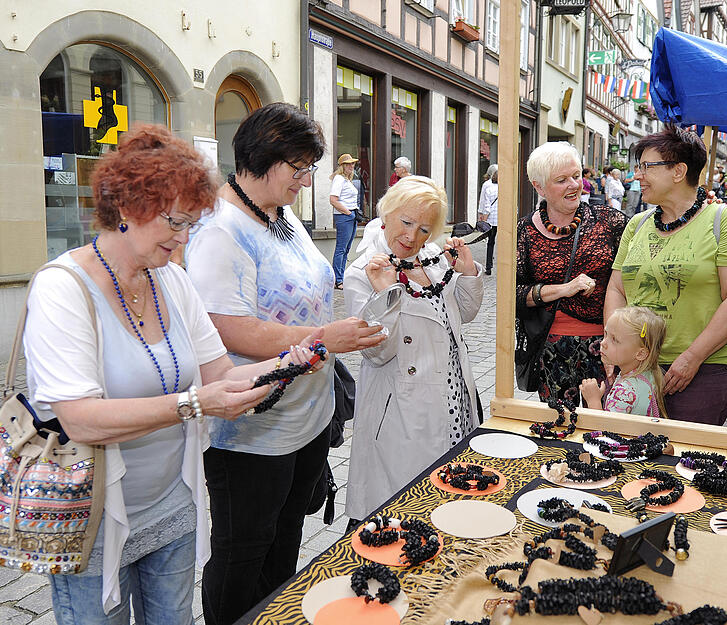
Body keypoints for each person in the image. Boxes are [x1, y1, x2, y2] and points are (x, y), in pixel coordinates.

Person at [23, 124, 325, 623]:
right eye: (175, 221)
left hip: (173, 507)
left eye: (191, 223)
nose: (184, 237)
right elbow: (79, 420)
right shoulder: (62, 289)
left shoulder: (172, 282)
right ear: (126, 207)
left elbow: (221, 374)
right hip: (92, 517)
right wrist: (193, 404)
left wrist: (293, 357)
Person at [184, 103, 384, 625]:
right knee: (242, 551)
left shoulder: (279, 212)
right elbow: (229, 329)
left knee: (286, 538)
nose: (306, 178)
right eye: (298, 167)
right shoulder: (221, 230)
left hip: (306, 417)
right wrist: (324, 338)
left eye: (309, 167)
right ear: (260, 159)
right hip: (253, 428)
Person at [344, 175, 484, 523]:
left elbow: (462, 314)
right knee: (404, 514)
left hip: (454, 402)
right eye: (406, 222)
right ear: (386, 213)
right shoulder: (364, 272)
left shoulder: (434, 258)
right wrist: (387, 294)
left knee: (449, 504)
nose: (412, 236)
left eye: (424, 228)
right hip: (402, 413)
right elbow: (376, 351)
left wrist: (466, 272)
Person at [604, 123, 727, 426]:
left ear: (678, 171)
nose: (638, 176)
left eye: (647, 167)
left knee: (684, 466)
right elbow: (616, 289)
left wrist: (691, 357)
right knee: (626, 458)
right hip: (637, 371)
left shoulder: (725, 220)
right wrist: (613, 345)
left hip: (701, 375)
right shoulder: (637, 224)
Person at [516, 142, 628, 406]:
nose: (574, 185)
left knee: (603, 425)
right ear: (539, 187)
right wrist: (563, 289)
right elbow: (513, 294)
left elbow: (631, 284)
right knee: (557, 425)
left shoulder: (610, 222)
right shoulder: (525, 231)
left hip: (605, 348)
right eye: (561, 180)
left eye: (577, 176)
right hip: (550, 348)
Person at [579, 306, 667, 419]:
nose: (603, 343)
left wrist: (593, 400)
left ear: (640, 354)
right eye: (606, 334)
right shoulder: (650, 374)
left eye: (615, 340)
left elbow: (606, 429)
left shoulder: (623, 391)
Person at [330, 153, 360, 289]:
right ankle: (338, 280)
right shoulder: (339, 179)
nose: (351, 166)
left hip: (350, 215)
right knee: (341, 249)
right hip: (344, 216)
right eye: (348, 164)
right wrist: (348, 213)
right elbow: (333, 200)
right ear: (342, 166)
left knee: (346, 249)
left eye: (352, 164)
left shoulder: (347, 180)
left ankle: (340, 277)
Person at [477, 164, 499, 275]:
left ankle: (489, 267)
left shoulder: (487, 186)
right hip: (503, 219)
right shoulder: (505, 186)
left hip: (491, 219)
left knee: (490, 242)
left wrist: (482, 217)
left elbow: (484, 204)